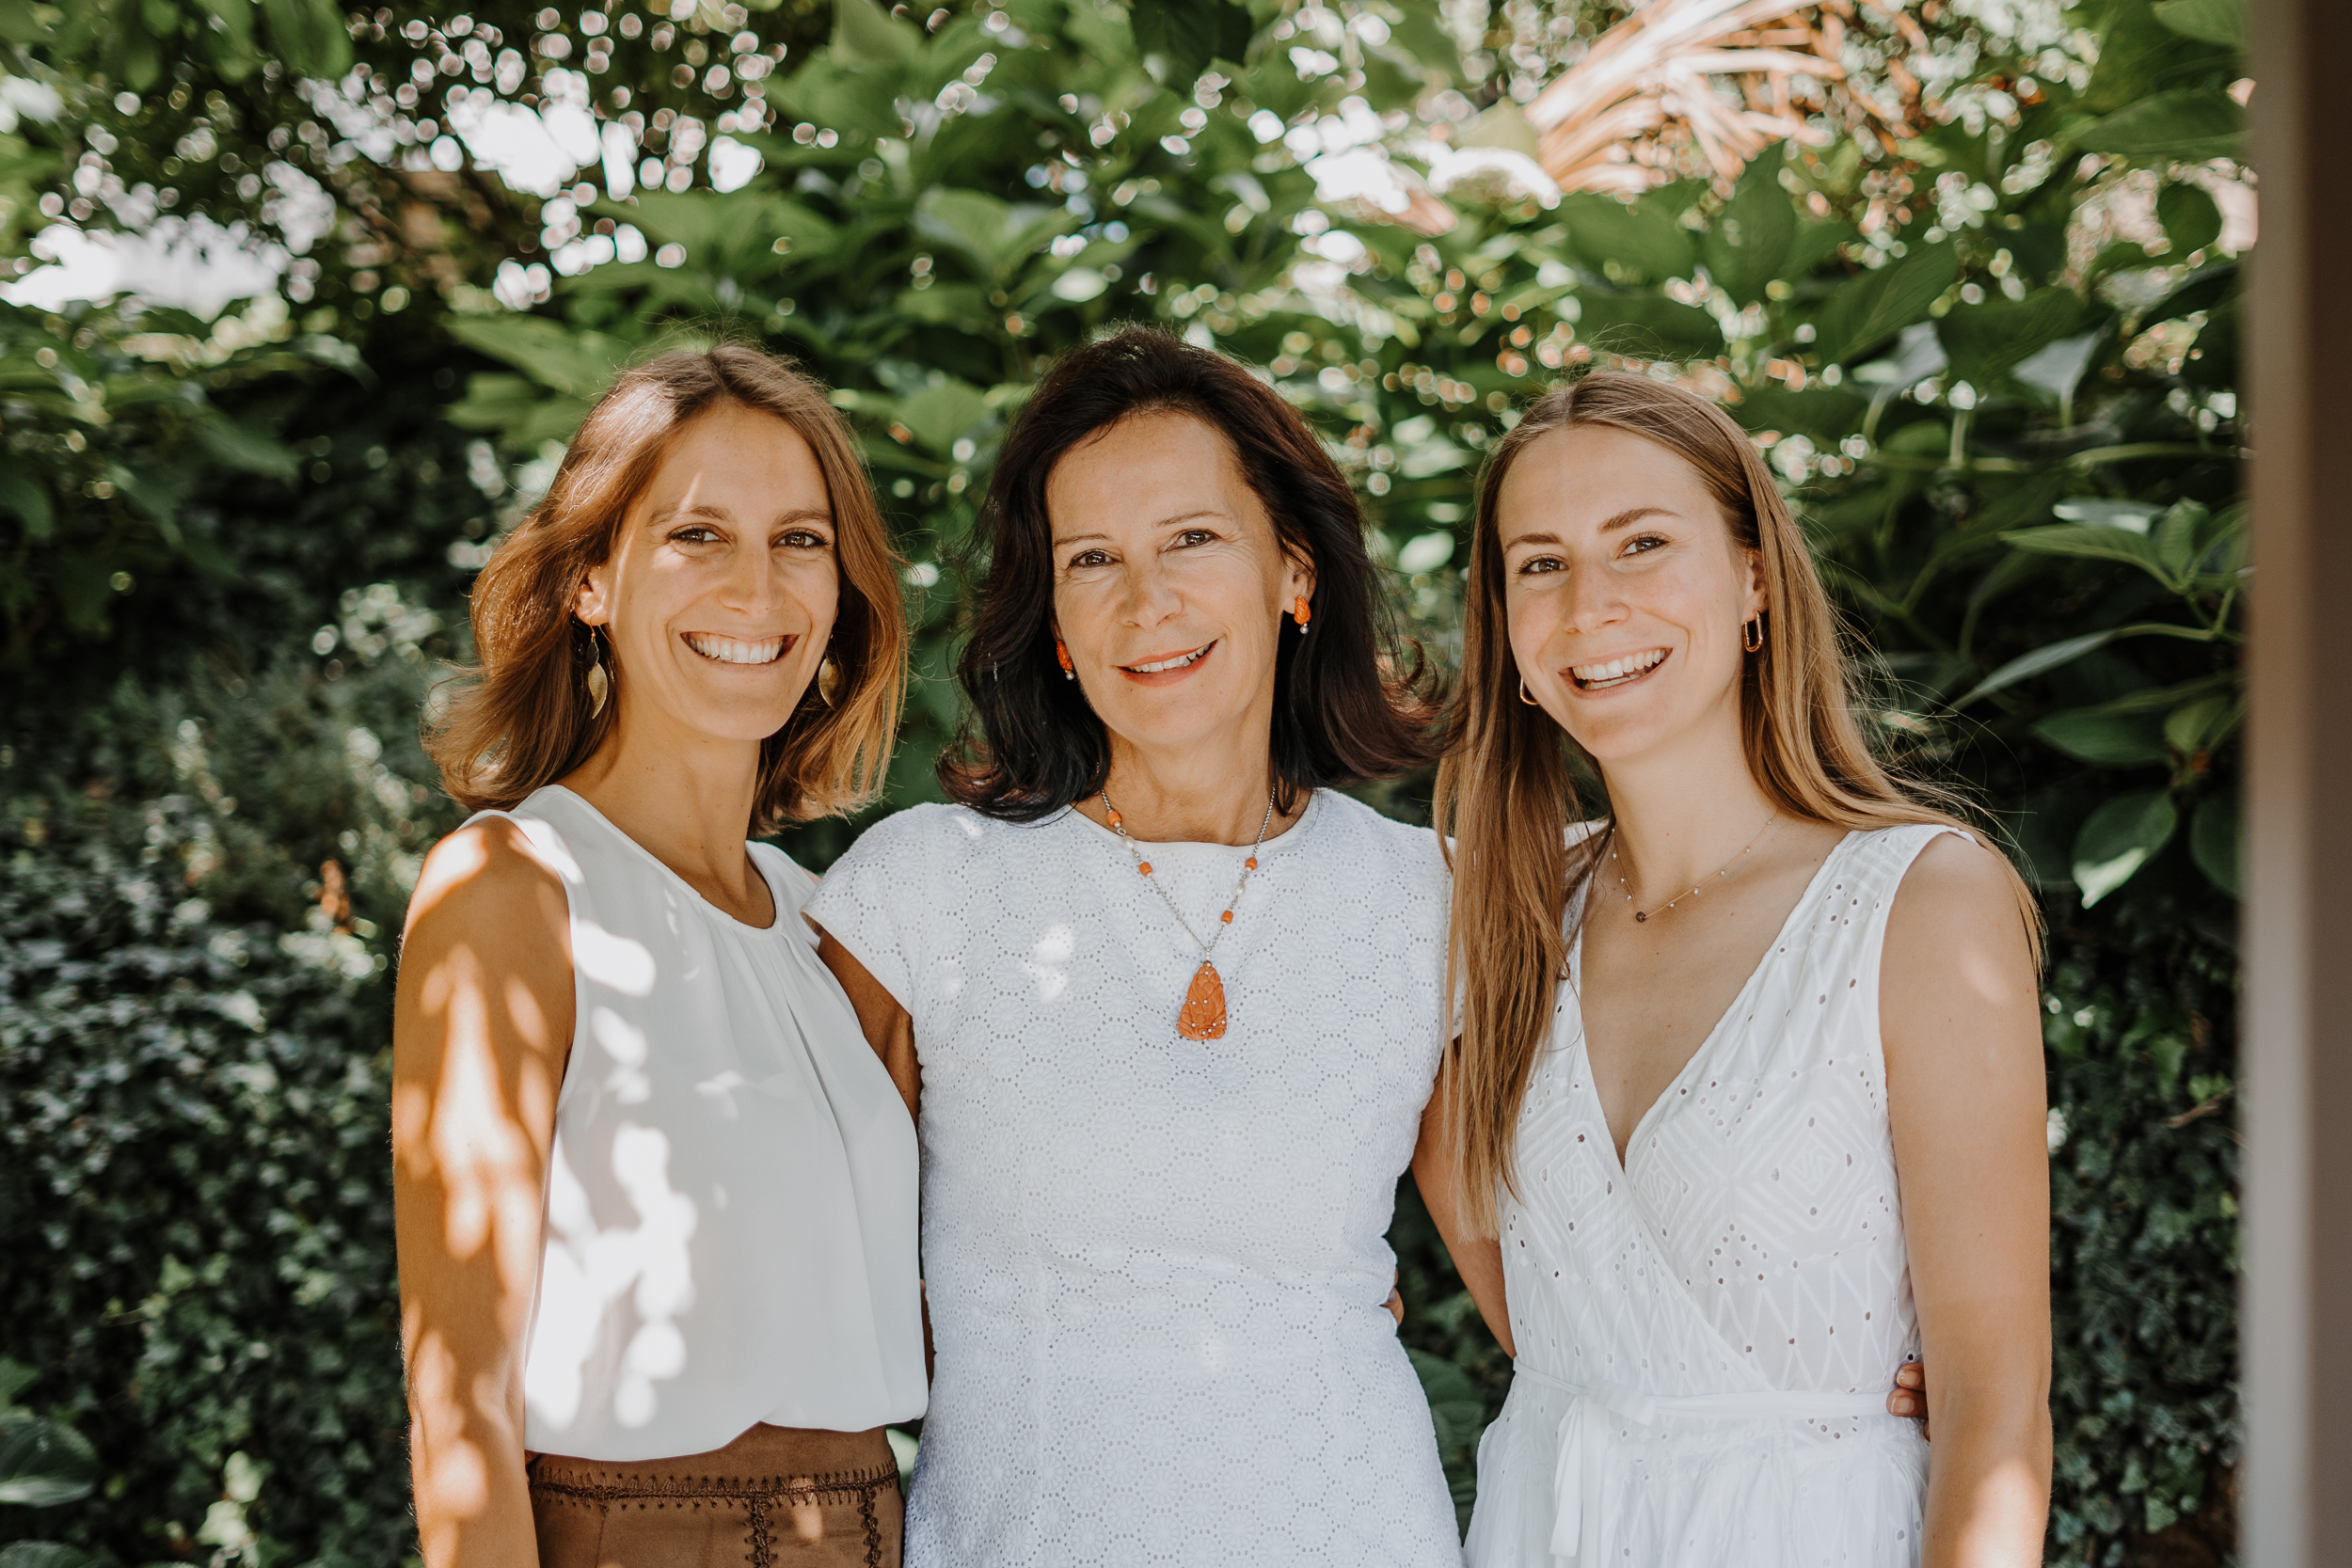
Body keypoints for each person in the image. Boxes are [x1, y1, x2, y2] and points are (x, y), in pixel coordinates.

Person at [803, 327, 1467, 1566]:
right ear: (1053, 616)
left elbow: (1550, 1265)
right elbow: (804, 1284)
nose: (1144, 599)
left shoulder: (1431, 903)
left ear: (1297, 572)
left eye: (1192, 538)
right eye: (1091, 558)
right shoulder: (920, 894)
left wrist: (1874, 1359)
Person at [1417, 371, 2052, 1567]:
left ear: (1753, 577)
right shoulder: (1486, 914)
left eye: (1642, 543)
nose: (1589, 605)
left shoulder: (1919, 901)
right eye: (1538, 564)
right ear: (1503, 625)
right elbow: (1548, 1310)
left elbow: (1997, 1412)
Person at [392, 345, 924, 1568]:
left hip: (869, 1524)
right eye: (698, 535)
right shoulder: (513, 887)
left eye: (801, 539)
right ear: (589, 578)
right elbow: (456, 1388)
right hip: (624, 1533)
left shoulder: (830, 924)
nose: (758, 588)